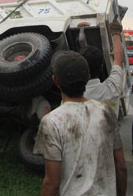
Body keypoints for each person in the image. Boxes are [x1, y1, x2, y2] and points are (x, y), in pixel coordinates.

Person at [33, 50, 126, 196]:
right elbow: (121, 166)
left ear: (55, 81)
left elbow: (51, 182)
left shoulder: (51, 122)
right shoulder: (106, 113)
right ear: (87, 78)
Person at [80, 17, 128, 194]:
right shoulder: (112, 89)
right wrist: (116, 33)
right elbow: (118, 61)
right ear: (101, 66)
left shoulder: (71, 97)